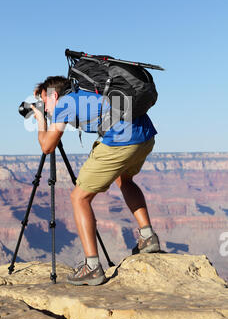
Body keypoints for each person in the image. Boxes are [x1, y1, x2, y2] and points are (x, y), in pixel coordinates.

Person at [30, 75, 160, 286]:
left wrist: (41, 121)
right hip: (145, 136)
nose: (45, 106)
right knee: (124, 179)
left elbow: (47, 146)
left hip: (120, 142)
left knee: (79, 198)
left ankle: (92, 267)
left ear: (54, 95)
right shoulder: (88, 91)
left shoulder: (64, 103)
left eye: (45, 101)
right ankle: (148, 237)